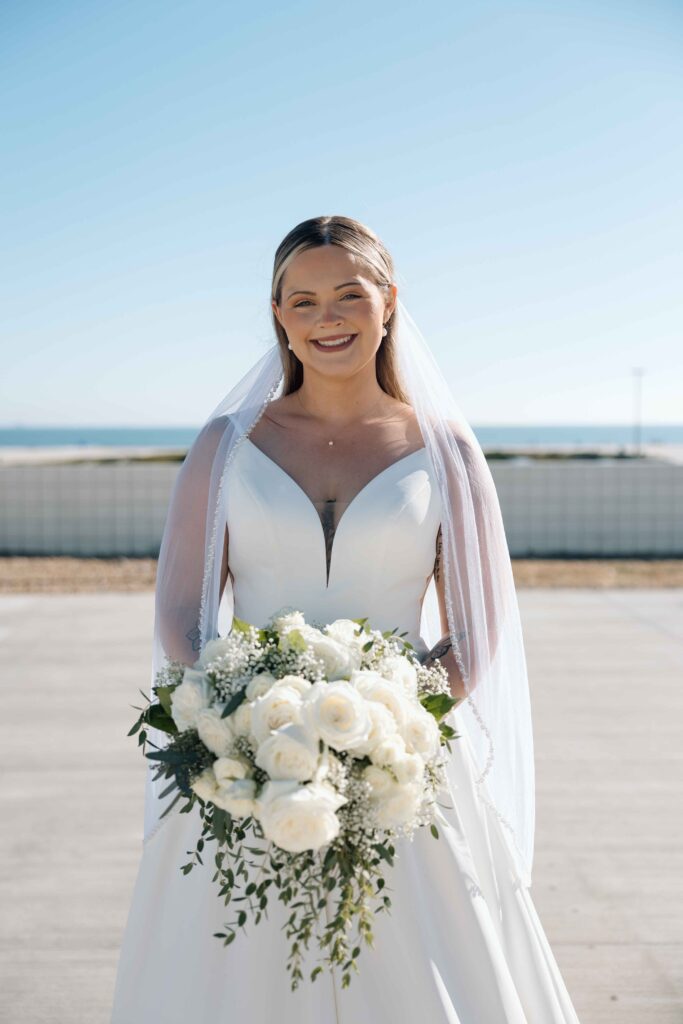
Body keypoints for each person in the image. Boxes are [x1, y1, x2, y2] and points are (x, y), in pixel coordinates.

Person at [110, 215, 583, 1022]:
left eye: (347, 294)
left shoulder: (445, 451)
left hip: (406, 764)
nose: (325, 317)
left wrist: (395, 728)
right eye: (302, 300)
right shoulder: (225, 446)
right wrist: (240, 727)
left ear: (388, 302)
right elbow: (183, 614)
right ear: (278, 316)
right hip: (245, 761)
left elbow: (476, 627)